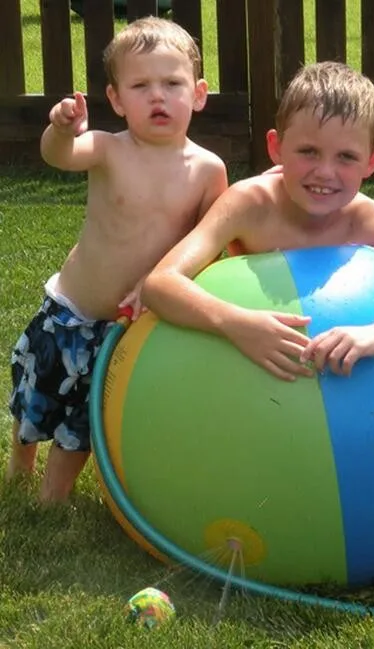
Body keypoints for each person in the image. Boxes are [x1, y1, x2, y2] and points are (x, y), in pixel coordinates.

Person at [6, 17, 228, 503]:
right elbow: (59, 156)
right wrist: (60, 129)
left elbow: (206, 240)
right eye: (140, 86)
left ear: (198, 94)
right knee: (35, 396)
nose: (157, 96)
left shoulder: (209, 171)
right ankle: (19, 465)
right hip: (70, 311)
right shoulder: (108, 150)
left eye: (172, 84)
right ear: (117, 99)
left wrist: (154, 278)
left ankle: (53, 495)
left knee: (86, 418)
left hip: (126, 326)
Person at [142, 61, 374, 382]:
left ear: (372, 161)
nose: (325, 172)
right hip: (249, 375)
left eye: (346, 157)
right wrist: (235, 323)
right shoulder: (250, 205)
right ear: (276, 147)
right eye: (308, 152)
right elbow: (160, 284)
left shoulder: (366, 219)